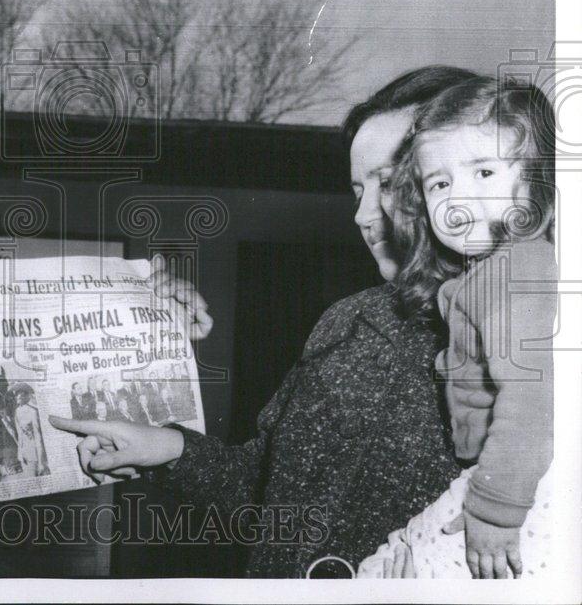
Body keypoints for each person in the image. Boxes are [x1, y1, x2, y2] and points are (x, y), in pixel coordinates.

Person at [51, 67, 479, 578]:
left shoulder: (518, 342)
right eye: (355, 190)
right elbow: (269, 490)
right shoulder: (345, 323)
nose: (364, 214)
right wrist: (166, 446)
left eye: (387, 184)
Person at [358, 77, 556, 579]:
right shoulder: (486, 273)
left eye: (484, 171)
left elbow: (534, 393)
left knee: (385, 572)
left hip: (514, 487)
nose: (457, 198)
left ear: (536, 181)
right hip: (501, 478)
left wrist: (493, 508)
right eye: (439, 183)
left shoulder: (516, 270)